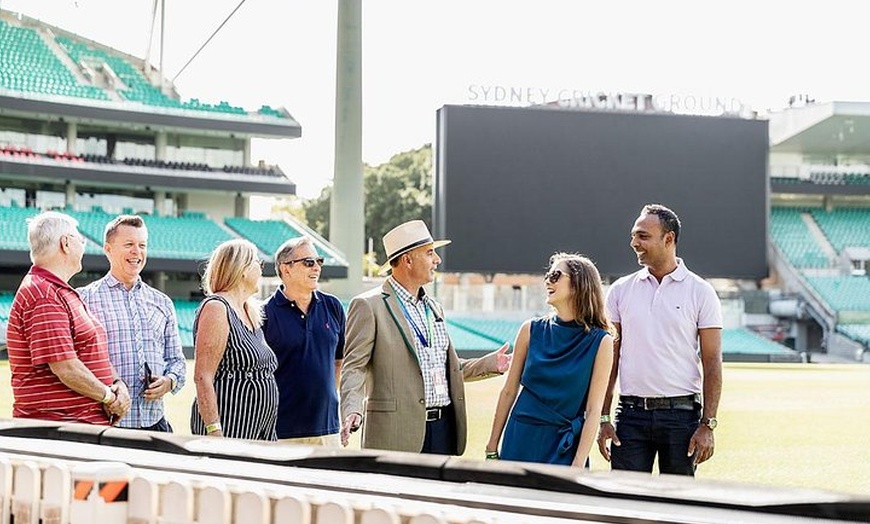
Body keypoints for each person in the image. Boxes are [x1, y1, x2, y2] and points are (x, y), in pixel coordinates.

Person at [340, 219, 511, 454]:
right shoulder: (369, 306)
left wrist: (489, 364)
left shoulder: (434, 308)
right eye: (430, 253)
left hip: (444, 430)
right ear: (408, 260)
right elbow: (354, 367)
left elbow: (445, 369)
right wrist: (352, 409)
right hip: (395, 434)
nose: (437, 260)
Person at [596, 204, 722, 476]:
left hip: (682, 417)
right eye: (633, 236)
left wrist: (707, 425)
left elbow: (712, 362)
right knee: (625, 503)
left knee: (676, 506)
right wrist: (603, 417)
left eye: (642, 236)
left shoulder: (701, 292)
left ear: (668, 239)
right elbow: (610, 359)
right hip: (629, 416)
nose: (633, 243)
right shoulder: (619, 291)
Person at [486, 253, 613, 466]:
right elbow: (509, 391)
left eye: (555, 275)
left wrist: (579, 462)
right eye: (547, 275)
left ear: (578, 284)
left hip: (564, 446)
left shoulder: (601, 342)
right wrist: (491, 448)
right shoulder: (530, 330)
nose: (547, 281)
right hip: (520, 438)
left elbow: (593, 410)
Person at [6, 211, 130, 425]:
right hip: (62, 429)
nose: (83, 246)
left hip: (78, 426)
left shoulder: (58, 291)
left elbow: (90, 349)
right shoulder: (44, 294)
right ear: (65, 243)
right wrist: (110, 397)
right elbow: (65, 367)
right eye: (80, 240)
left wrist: (117, 382)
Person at [78, 215, 187, 432]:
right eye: (129, 245)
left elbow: (177, 362)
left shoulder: (162, 302)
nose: (137, 252)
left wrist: (169, 381)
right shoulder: (84, 299)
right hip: (108, 424)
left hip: (155, 423)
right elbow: (79, 362)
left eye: (142, 245)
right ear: (108, 249)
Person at [190, 239, 279, 440]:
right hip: (231, 428)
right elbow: (202, 376)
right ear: (243, 269)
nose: (261, 268)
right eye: (258, 262)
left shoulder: (250, 310)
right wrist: (214, 430)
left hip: (261, 429)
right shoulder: (217, 308)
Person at [263, 236, 345, 446]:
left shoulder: (333, 306)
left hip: (328, 430)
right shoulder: (263, 313)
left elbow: (339, 360)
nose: (316, 267)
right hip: (281, 430)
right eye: (309, 262)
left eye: (319, 261)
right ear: (286, 269)